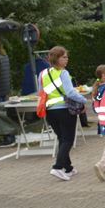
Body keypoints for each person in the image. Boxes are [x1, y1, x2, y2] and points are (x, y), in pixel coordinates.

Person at [42, 46, 88, 181]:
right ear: (57, 59)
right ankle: (57, 167)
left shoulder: (43, 74)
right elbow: (70, 92)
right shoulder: (63, 73)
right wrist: (84, 99)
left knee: (62, 139)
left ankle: (68, 168)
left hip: (50, 110)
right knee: (68, 139)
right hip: (64, 109)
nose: (67, 59)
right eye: (64, 57)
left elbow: (42, 92)